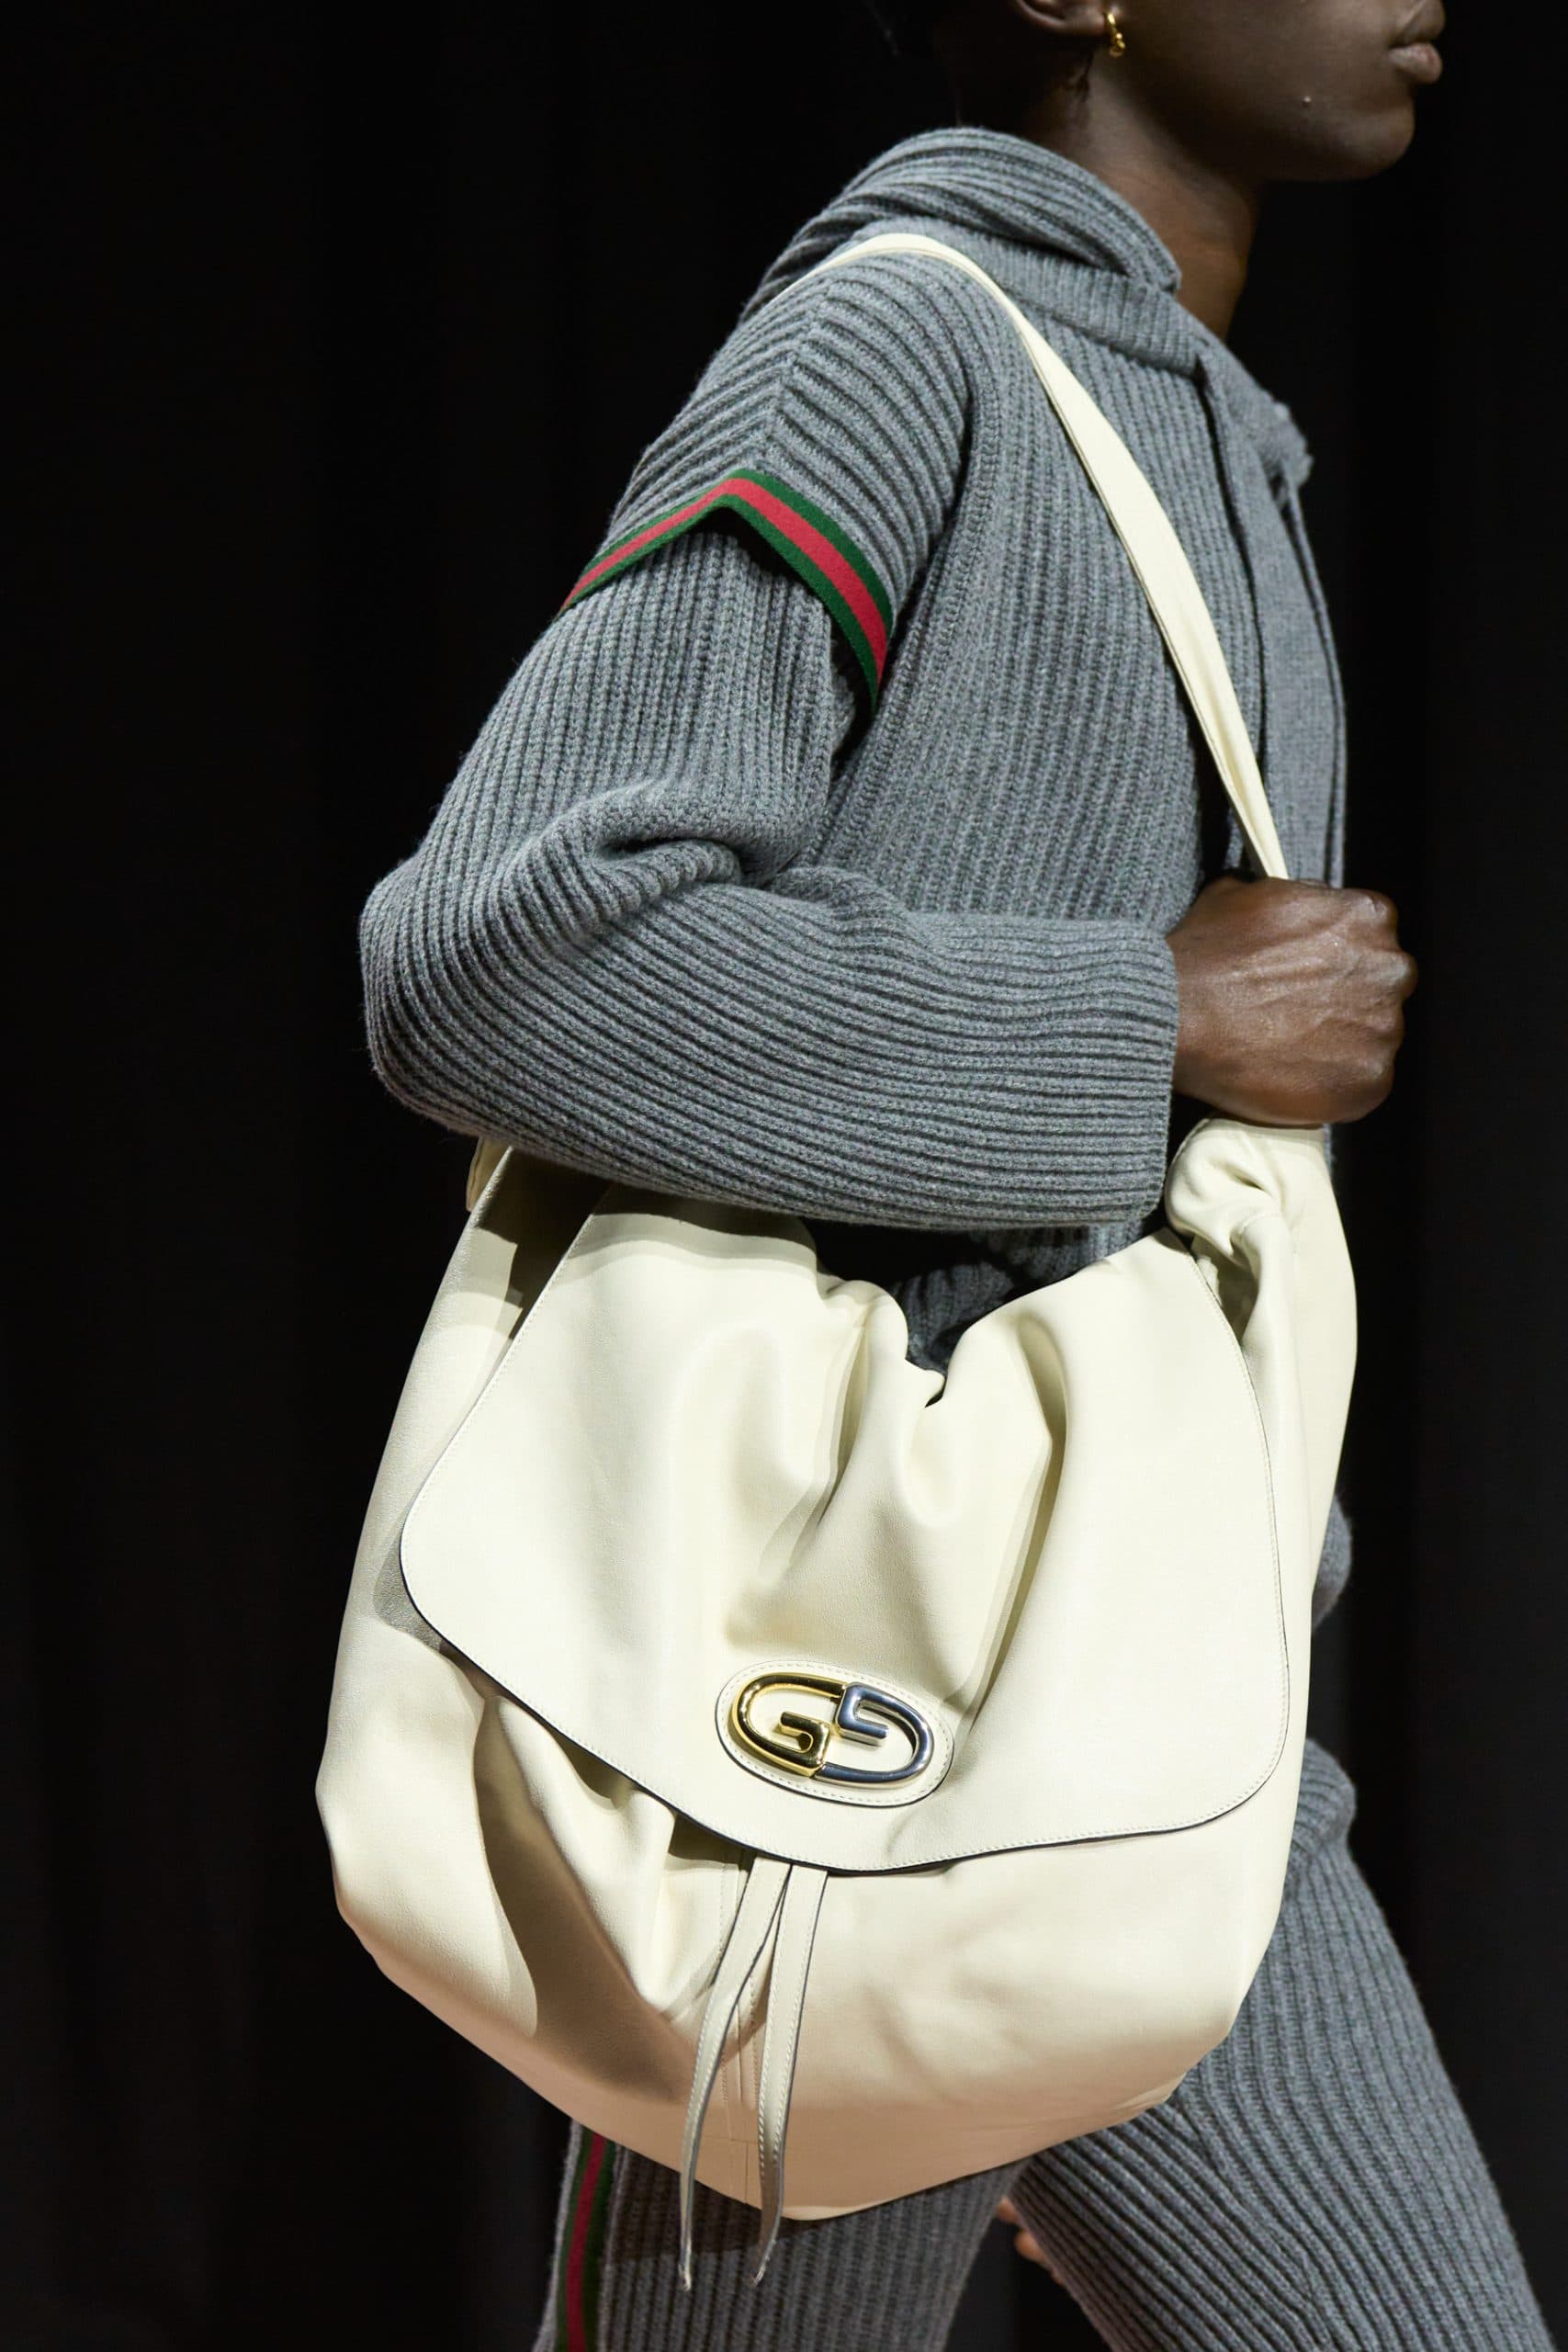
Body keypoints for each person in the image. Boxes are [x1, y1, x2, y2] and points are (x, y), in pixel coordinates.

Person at [357, 0, 1555, 2343]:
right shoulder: (896, 344)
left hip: (1149, 1715)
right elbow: (495, 951)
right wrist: (1147, 1019)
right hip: (818, 1733)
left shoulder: (1203, 429)